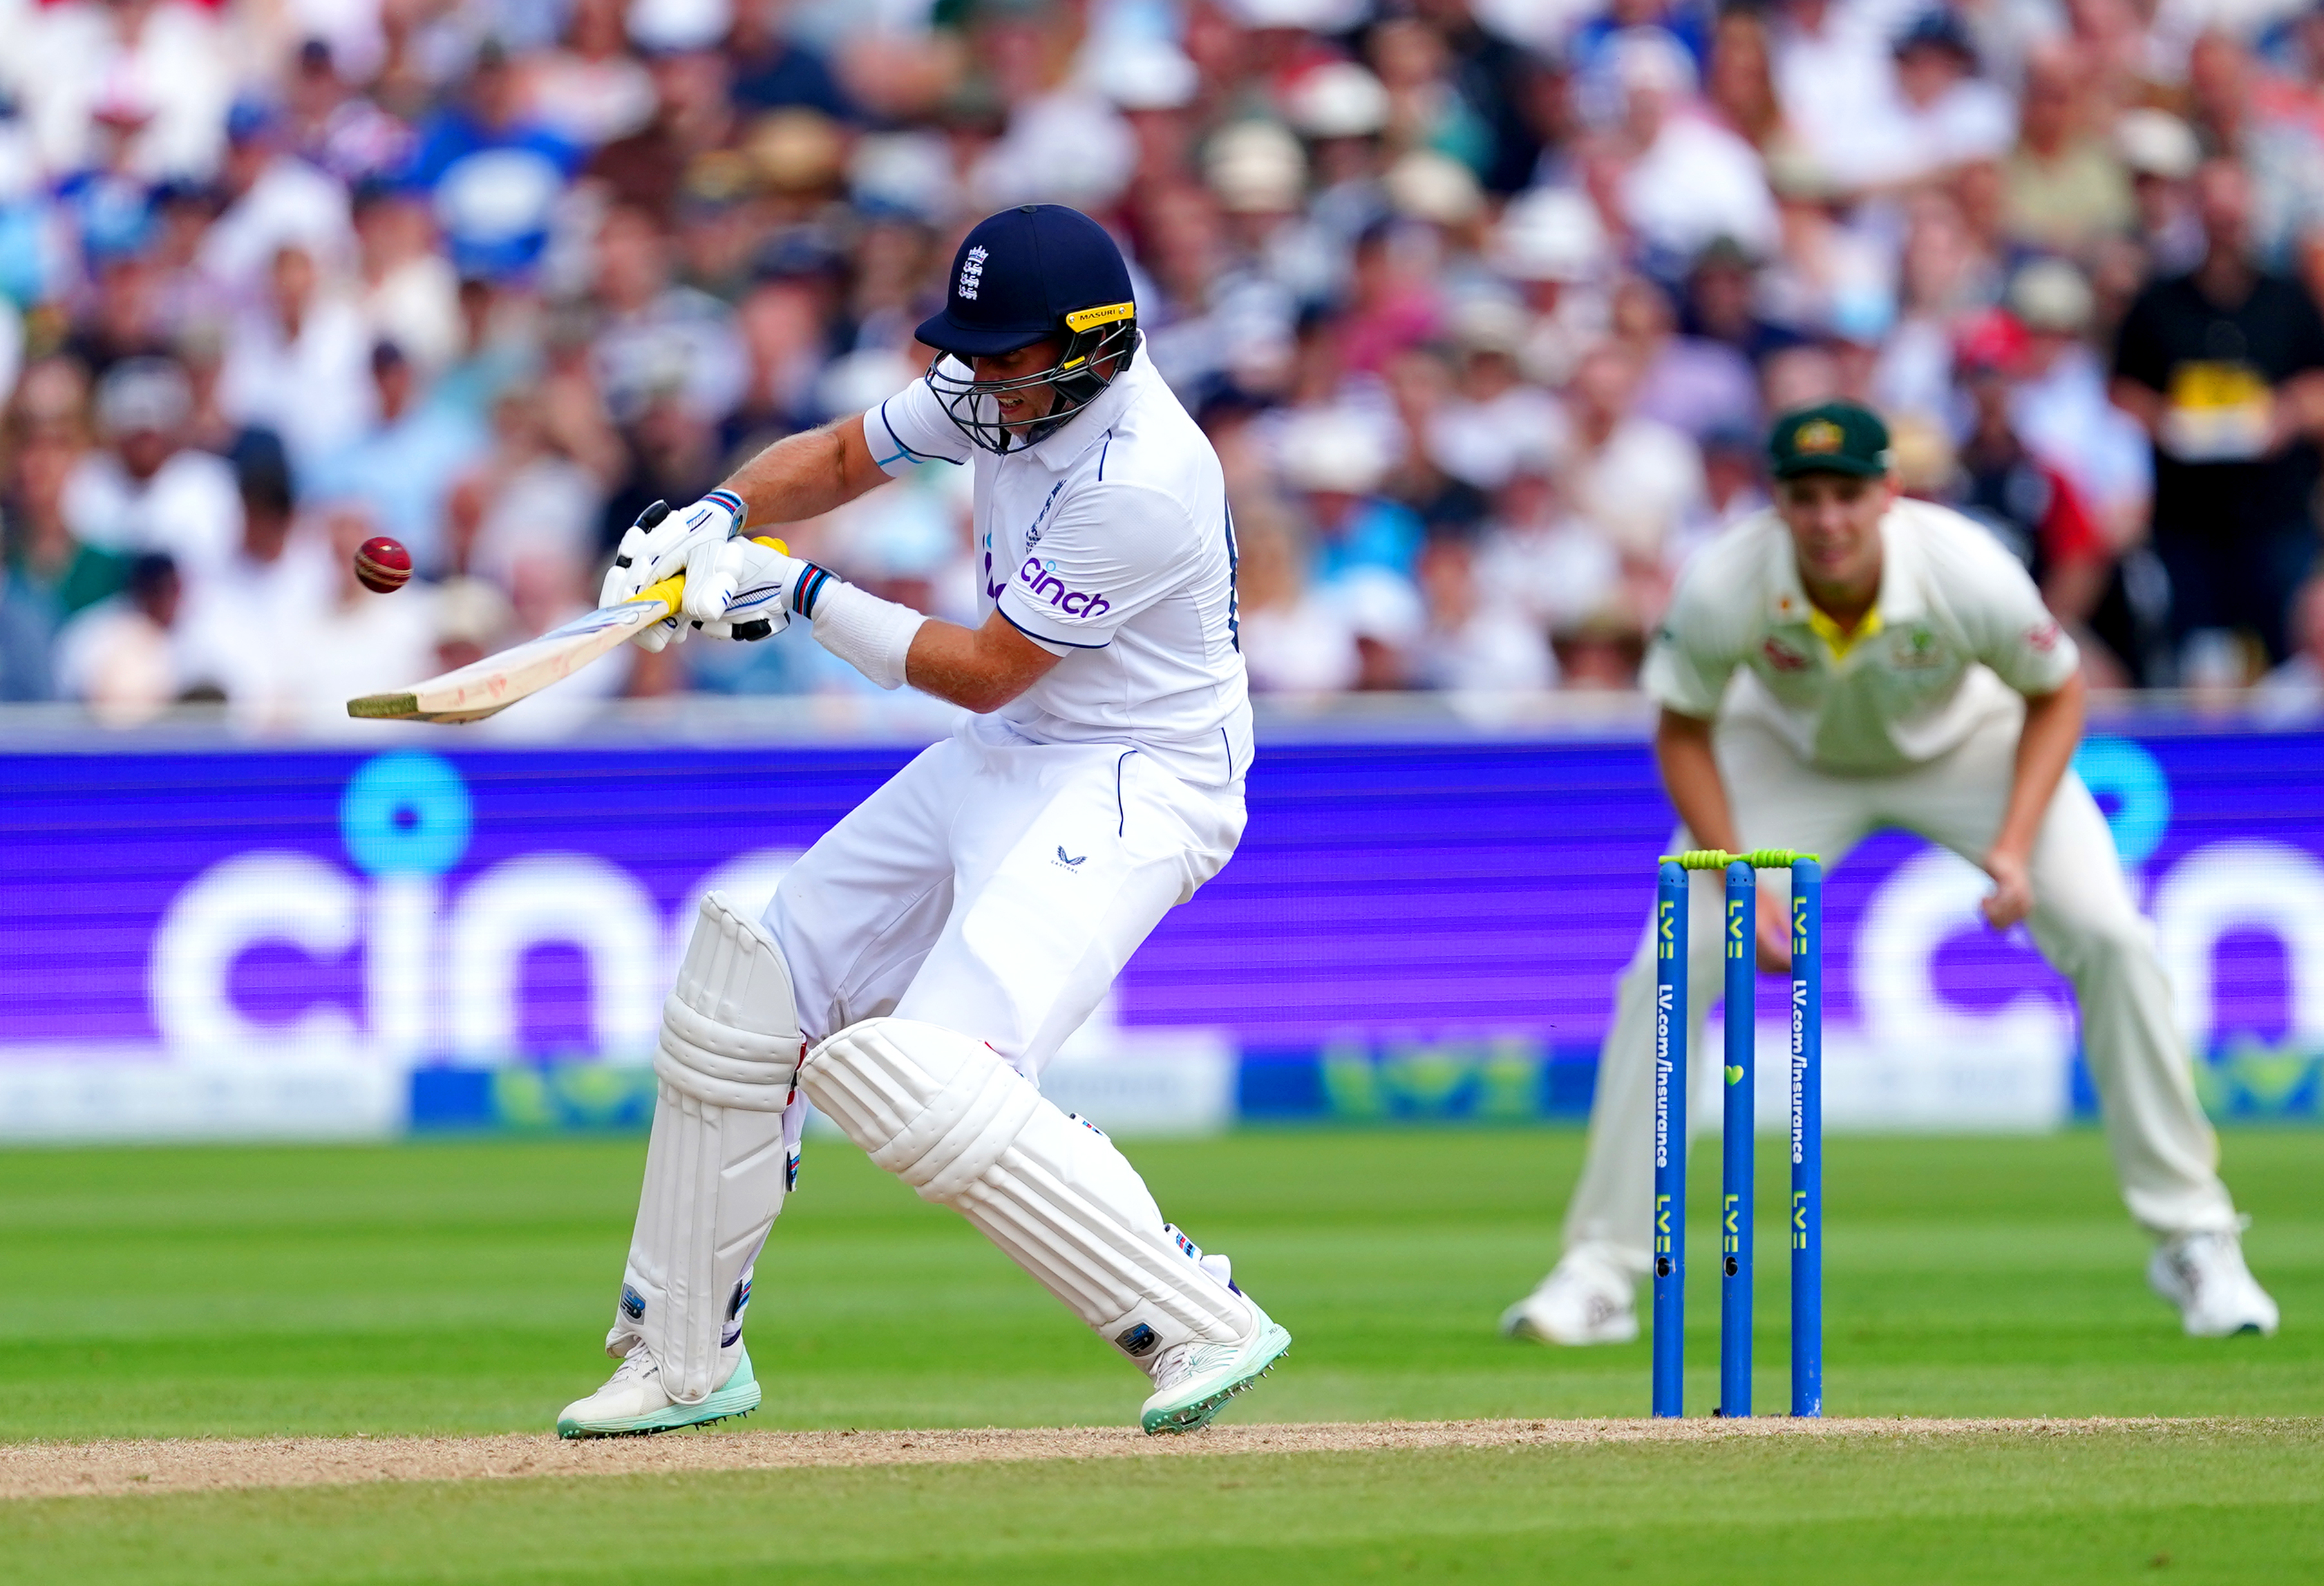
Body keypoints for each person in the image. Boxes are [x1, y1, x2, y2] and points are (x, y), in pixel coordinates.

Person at [556, 204, 1290, 1439]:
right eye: (973, 355)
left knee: (930, 1073)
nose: (980, 383)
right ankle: (678, 1358)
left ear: (1097, 348)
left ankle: (1194, 1314)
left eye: (1010, 358)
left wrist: (796, 589)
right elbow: (844, 458)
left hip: (1140, 776)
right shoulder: (1007, 387)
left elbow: (988, 670)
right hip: (1017, 751)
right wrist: (718, 515)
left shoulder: (1143, 480)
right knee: (750, 997)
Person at [1500, 400, 2278, 1350]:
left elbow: (2056, 692)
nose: (1827, 519)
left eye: (1847, 495)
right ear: (1777, 501)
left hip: (1971, 749)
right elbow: (1684, 728)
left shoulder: (1964, 567)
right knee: (1666, 970)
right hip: (1786, 758)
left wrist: (2012, 843)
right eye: (1805, 498)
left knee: (2113, 938)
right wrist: (1741, 874)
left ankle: (2194, 1237)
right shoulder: (1725, 581)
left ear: (1888, 494)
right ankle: (1602, 1272)